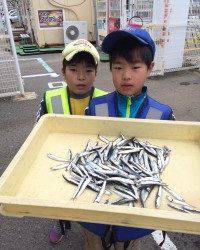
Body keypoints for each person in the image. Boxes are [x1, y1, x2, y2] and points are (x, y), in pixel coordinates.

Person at [82, 26, 175, 249]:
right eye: (118, 67)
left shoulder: (162, 114)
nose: (126, 75)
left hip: (136, 219)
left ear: (150, 68)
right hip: (95, 216)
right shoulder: (95, 107)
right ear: (110, 69)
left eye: (135, 67)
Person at [36, 39, 107, 244]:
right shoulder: (50, 98)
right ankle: (61, 220)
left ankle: (95, 222)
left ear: (96, 73)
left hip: (94, 164)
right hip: (61, 160)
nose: (81, 76)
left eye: (88, 70)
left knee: (92, 198)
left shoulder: (105, 99)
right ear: (63, 71)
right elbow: (38, 134)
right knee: (60, 195)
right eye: (74, 69)